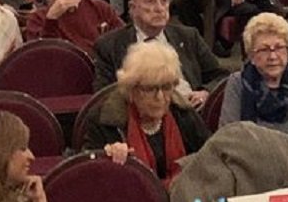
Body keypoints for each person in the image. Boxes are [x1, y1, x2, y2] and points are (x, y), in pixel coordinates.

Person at [79, 41, 208, 186]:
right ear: (131, 90)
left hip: (181, 199)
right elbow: (89, 175)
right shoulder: (104, 119)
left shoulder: (183, 113)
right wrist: (107, 158)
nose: (160, 97)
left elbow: (208, 160)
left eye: (166, 87)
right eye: (150, 89)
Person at [89, 0, 220, 108]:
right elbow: (104, 95)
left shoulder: (189, 36)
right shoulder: (109, 45)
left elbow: (219, 76)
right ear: (132, 8)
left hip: (192, 111)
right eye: (150, 1)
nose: (159, 8)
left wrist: (205, 92)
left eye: (164, 1)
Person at [219, 14, 288, 150]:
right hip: (261, 161)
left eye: (279, 47)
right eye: (264, 50)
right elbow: (227, 138)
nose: (273, 56)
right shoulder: (238, 83)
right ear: (251, 56)